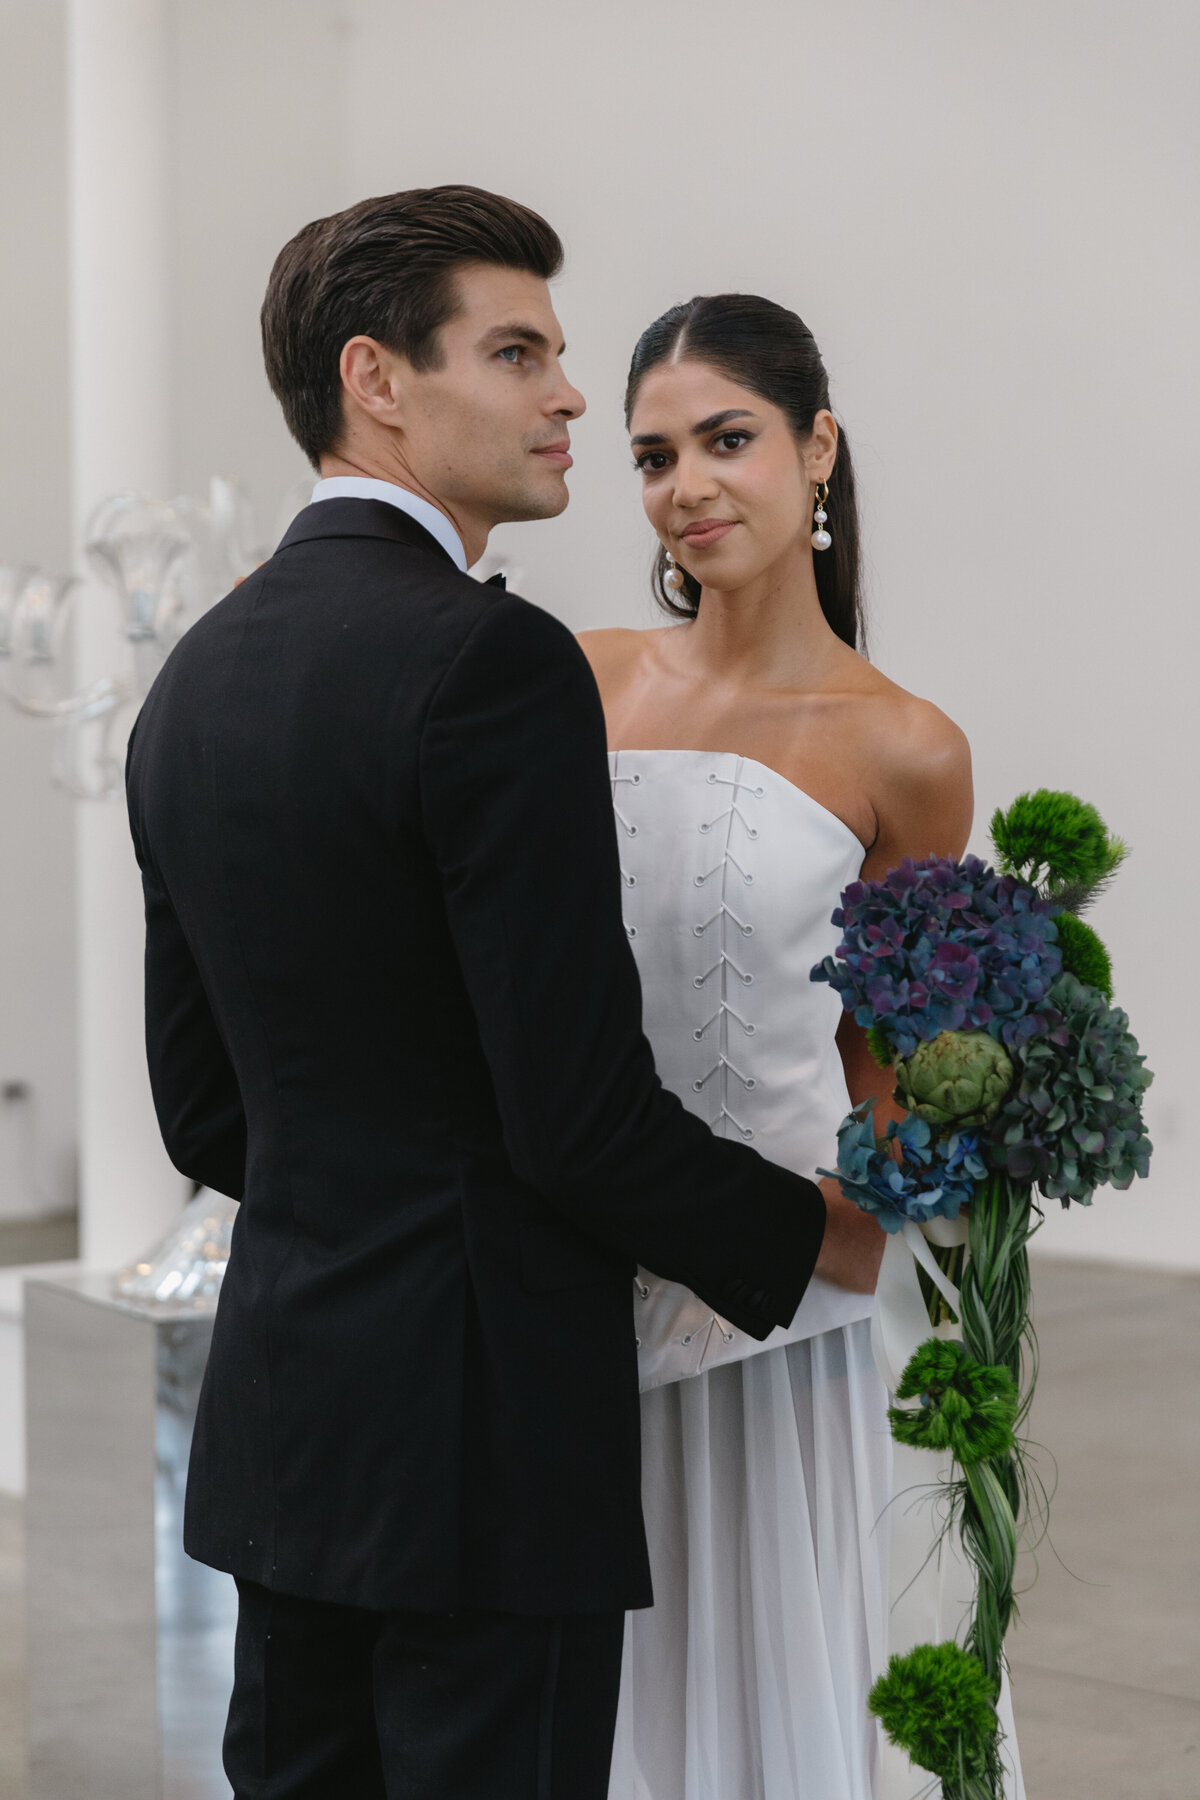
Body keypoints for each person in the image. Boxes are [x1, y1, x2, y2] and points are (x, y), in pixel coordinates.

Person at [125, 190, 867, 1800]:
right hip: (482, 1443)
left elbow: (202, 1108)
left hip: (286, 1430)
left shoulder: (196, 677)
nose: (570, 400)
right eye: (519, 350)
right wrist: (820, 1236)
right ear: (378, 379)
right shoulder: (488, 661)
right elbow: (576, 1116)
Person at [580, 293, 1022, 1799]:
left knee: (787, 1694)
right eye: (653, 456)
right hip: (580, 1268)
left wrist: (884, 1232)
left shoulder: (904, 744)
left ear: (815, 446)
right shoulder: (579, 679)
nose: (686, 484)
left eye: (726, 439)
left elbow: (887, 1061)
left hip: (791, 1290)